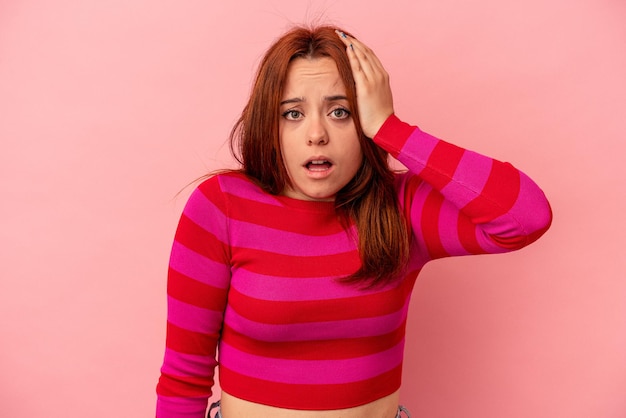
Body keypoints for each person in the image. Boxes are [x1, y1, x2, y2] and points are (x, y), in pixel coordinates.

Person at [155, 25, 552, 418]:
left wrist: (390, 128)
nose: (316, 134)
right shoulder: (222, 206)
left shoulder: (401, 206)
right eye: (292, 113)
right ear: (268, 125)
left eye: (340, 111)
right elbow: (184, 377)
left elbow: (526, 216)